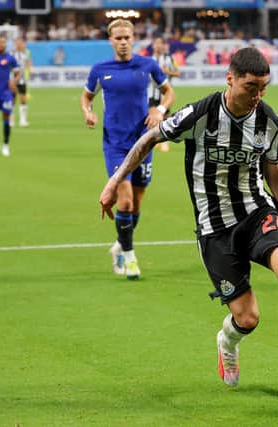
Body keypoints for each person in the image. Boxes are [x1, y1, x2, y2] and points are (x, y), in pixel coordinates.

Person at [99, 47, 278, 388]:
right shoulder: (200, 115)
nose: (257, 95)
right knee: (247, 318)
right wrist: (114, 181)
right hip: (214, 228)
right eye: (251, 87)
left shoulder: (268, 120)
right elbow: (150, 138)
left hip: (257, 213)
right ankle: (227, 343)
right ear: (230, 79)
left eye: (264, 87)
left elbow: (274, 172)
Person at [80, 19, 175, 279]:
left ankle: (120, 245)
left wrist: (160, 109)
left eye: (126, 37)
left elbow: (168, 92)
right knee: (125, 199)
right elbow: (86, 96)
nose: (122, 42)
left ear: (133, 38)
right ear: (110, 41)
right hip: (116, 145)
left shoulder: (148, 65)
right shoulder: (100, 70)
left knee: (135, 205)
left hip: (143, 142)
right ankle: (130, 259)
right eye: (117, 38)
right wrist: (88, 112)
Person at [148, 36, 180, 153]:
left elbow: (177, 73)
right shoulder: (149, 60)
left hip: (165, 94)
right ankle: (155, 140)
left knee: (164, 117)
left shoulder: (169, 58)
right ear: (153, 45)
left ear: (163, 45)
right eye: (156, 43)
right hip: (151, 92)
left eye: (160, 43)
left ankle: (164, 141)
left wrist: (168, 72)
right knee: (152, 117)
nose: (158, 45)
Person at [11, 37, 32, 127]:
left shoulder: (26, 53)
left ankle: (22, 120)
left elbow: (28, 65)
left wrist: (29, 74)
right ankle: (11, 120)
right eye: (17, 42)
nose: (19, 44)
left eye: (21, 42)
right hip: (12, 79)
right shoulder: (11, 53)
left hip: (22, 79)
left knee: (23, 99)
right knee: (12, 100)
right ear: (15, 43)